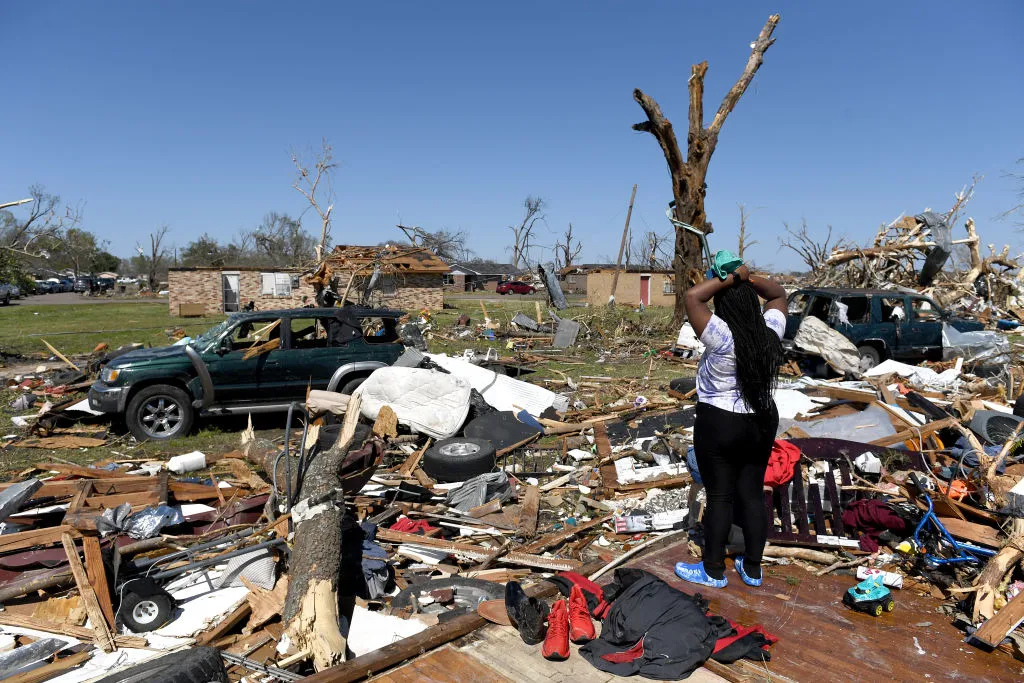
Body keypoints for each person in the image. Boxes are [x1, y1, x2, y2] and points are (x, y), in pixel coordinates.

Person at [674, 264, 787, 589]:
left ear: (724, 306)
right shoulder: (770, 331)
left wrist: (732, 278)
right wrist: (748, 279)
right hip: (762, 420)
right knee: (752, 495)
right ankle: (752, 568)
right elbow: (778, 293)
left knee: (720, 495)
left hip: (720, 422)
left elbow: (693, 296)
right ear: (753, 302)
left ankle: (712, 570)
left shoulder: (721, 334)